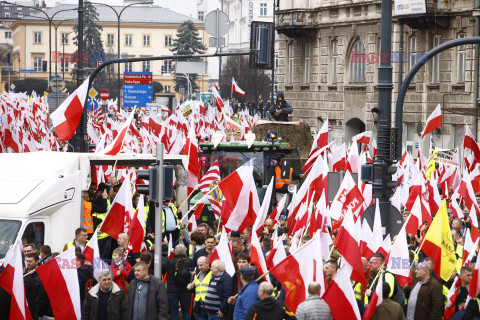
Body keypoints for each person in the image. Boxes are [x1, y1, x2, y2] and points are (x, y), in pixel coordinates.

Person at [162, 244, 193, 320]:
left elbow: (162, 268)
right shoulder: (190, 261)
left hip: (172, 291)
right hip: (186, 290)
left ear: (175, 252)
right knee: (186, 311)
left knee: (174, 312)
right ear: (185, 252)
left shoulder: (169, 262)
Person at [24, 252, 40, 319]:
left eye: (30, 261)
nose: (28, 263)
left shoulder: (41, 274)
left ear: (37, 261)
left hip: (39, 309)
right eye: (27, 261)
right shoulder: (24, 275)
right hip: (29, 309)